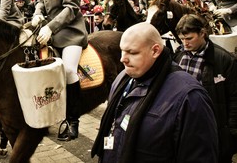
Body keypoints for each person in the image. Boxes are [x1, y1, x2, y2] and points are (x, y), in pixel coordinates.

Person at [91, 22, 218, 163]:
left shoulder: (190, 97)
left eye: (132, 52)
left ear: (155, 50)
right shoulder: (122, 79)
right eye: (122, 51)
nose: (123, 59)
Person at [30, 0, 88, 141]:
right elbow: (40, 0)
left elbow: (72, 7)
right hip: (49, 31)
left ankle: (73, 122)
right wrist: (37, 13)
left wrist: (51, 27)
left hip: (70, 31)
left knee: (69, 70)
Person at [174, 14, 237, 162]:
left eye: (189, 38)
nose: (185, 43)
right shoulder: (178, 56)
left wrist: (232, 131)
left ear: (202, 33)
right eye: (181, 39)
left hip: (214, 128)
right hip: (185, 126)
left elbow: (236, 97)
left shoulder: (224, 59)